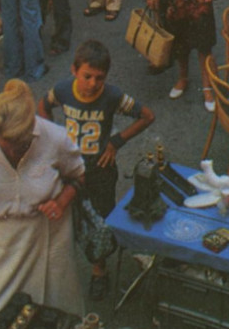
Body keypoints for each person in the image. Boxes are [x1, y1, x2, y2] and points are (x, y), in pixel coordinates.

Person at [0, 79, 85, 329]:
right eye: (4, 143)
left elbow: (80, 176)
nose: (11, 150)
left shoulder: (54, 138)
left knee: (57, 321)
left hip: (49, 238)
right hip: (1, 241)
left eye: (18, 143)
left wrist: (61, 201)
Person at [39, 39, 155, 299]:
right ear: (74, 70)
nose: (92, 84)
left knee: (101, 219)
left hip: (100, 169)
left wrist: (116, 141)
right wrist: (53, 135)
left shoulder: (112, 96)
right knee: (67, 213)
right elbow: (43, 105)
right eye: (86, 76)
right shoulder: (63, 90)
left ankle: (98, 270)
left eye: (99, 78)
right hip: (69, 168)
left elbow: (146, 116)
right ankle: (61, 267)